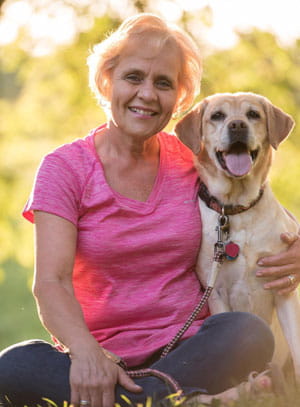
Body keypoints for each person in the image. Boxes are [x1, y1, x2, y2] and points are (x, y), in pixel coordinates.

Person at [0, 13, 300, 407]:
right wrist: (88, 355)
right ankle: (187, 399)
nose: (147, 94)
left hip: (192, 347)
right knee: (13, 366)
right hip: (101, 354)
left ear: (180, 97)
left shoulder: (195, 157)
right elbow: (51, 283)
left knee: (246, 332)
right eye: (133, 77)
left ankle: (136, 399)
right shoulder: (63, 168)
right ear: (107, 82)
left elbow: (255, 207)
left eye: (163, 83)